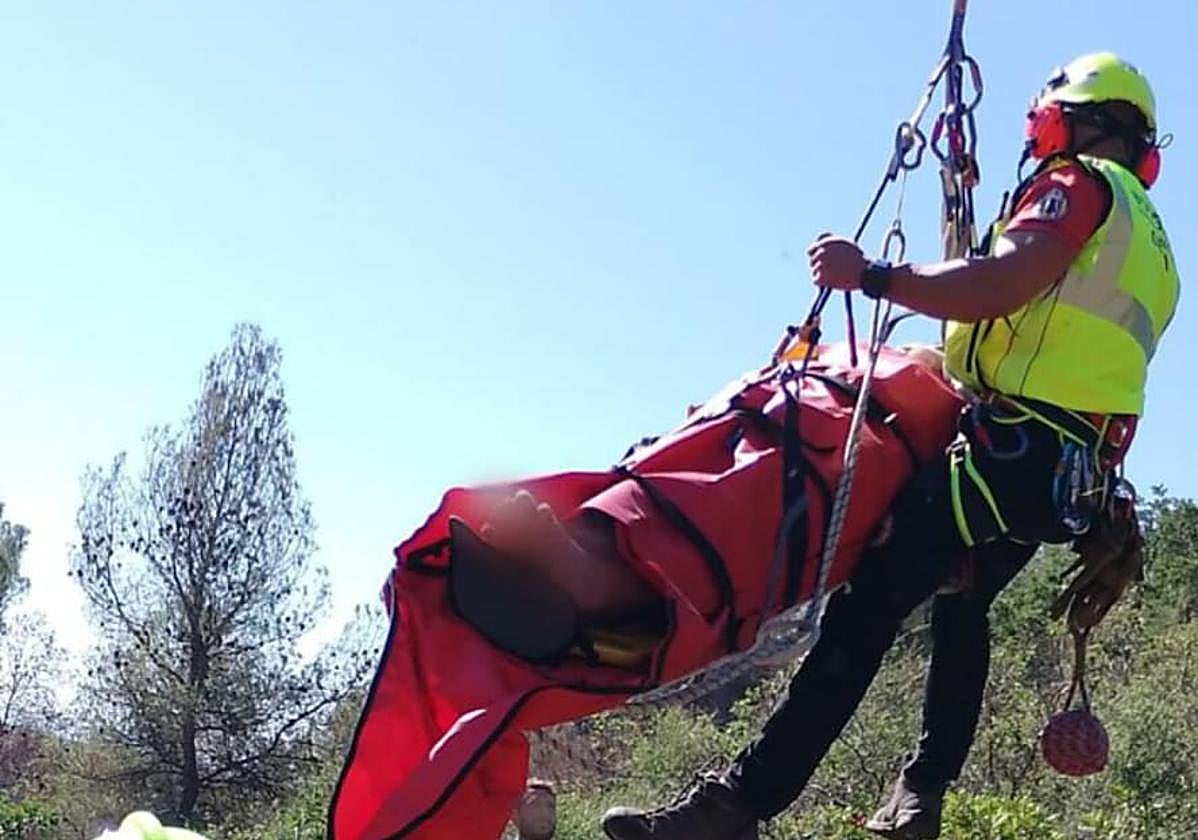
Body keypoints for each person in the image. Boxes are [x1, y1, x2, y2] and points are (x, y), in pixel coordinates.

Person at [598, 52, 1179, 840]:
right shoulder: (1151, 238)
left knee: (866, 608)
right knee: (962, 607)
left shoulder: (1075, 186)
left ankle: (739, 804)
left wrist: (871, 275)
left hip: (1012, 450)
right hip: (1069, 479)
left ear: (1073, 121)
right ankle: (920, 795)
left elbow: (999, 284)